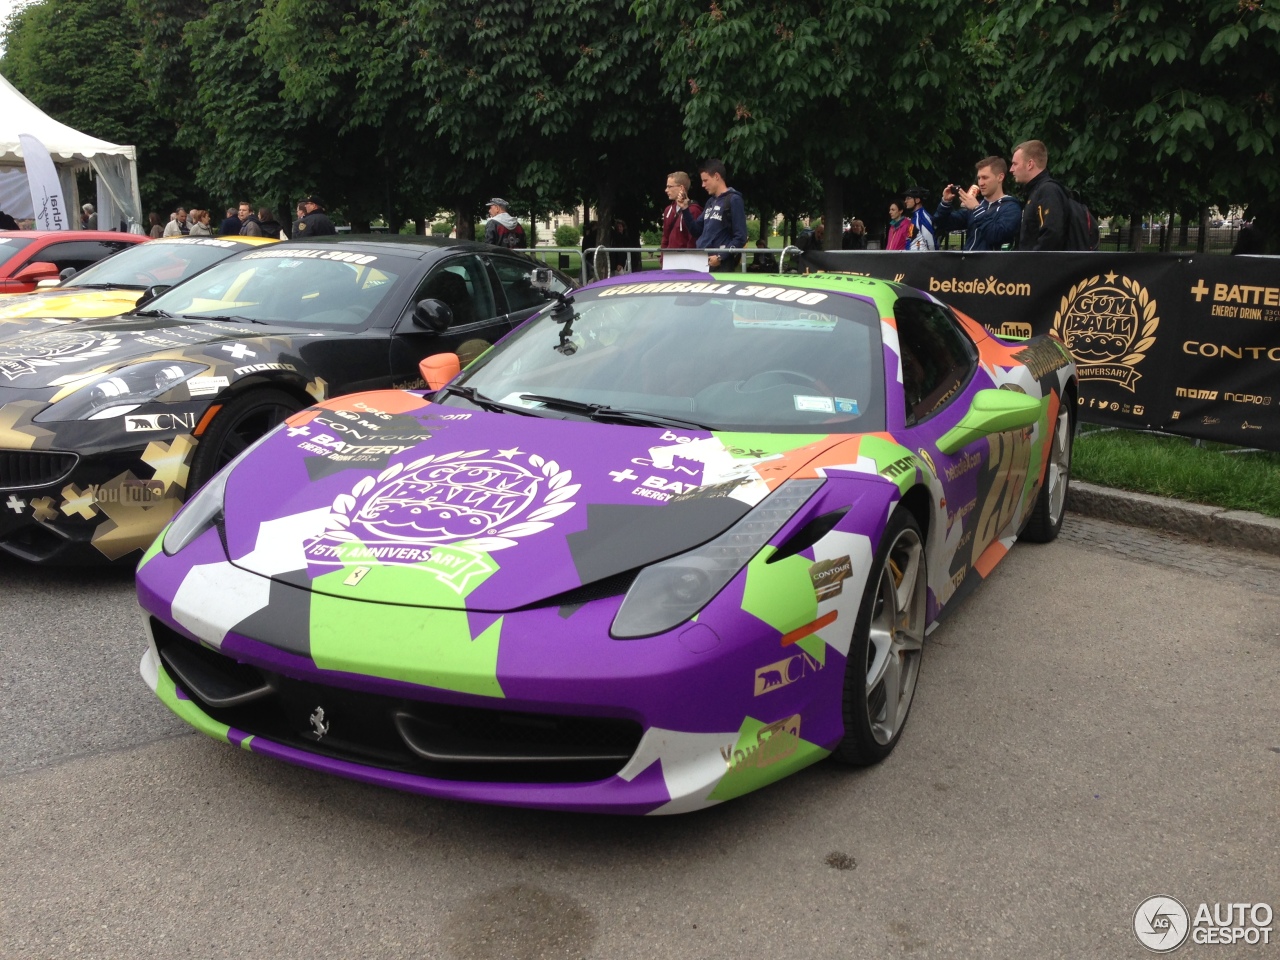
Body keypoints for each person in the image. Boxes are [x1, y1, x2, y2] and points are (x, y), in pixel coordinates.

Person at [934, 156, 1023, 251]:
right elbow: (942, 224)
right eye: (979, 178)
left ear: (1000, 177)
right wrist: (945, 203)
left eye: (985, 178)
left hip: (992, 264)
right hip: (967, 263)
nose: (980, 183)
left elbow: (994, 235)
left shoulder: (1011, 207)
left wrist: (977, 209)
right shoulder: (978, 205)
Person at [676, 158, 747, 270]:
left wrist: (721, 257)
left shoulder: (734, 199)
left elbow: (741, 237)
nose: (703, 185)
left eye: (705, 180)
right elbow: (696, 230)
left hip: (721, 266)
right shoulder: (710, 202)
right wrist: (685, 208)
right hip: (703, 262)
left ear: (716, 177)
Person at [1009, 139, 1071, 250]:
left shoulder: (1048, 190)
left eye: (1014, 164)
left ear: (1030, 164)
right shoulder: (1036, 191)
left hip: (1041, 265)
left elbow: (1052, 235)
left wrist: (1033, 263)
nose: (1011, 169)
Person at [660, 171, 701, 262]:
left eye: (669, 186)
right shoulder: (668, 210)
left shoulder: (694, 210)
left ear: (681, 188)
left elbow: (693, 239)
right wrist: (663, 259)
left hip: (686, 263)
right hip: (669, 261)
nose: (666, 190)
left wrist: (687, 261)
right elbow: (665, 237)